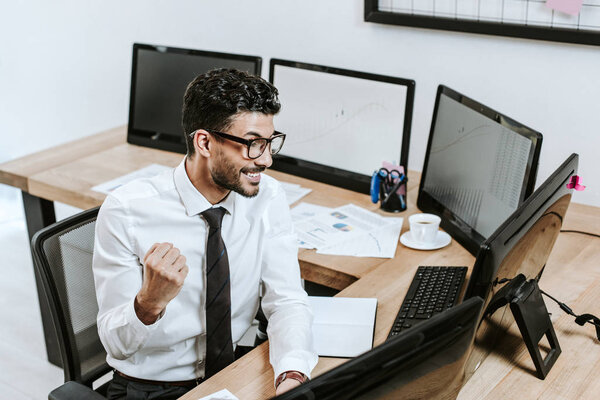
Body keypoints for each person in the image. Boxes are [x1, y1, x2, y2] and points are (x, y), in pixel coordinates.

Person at [92, 68, 318, 400]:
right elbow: (117, 345)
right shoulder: (126, 211)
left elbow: (286, 300)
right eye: (253, 144)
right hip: (152, 387)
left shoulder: (267, 197)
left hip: (236, 371)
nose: (267, 159)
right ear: (205, 142)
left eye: (270, 143)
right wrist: (149, 303)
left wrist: (292, 373)